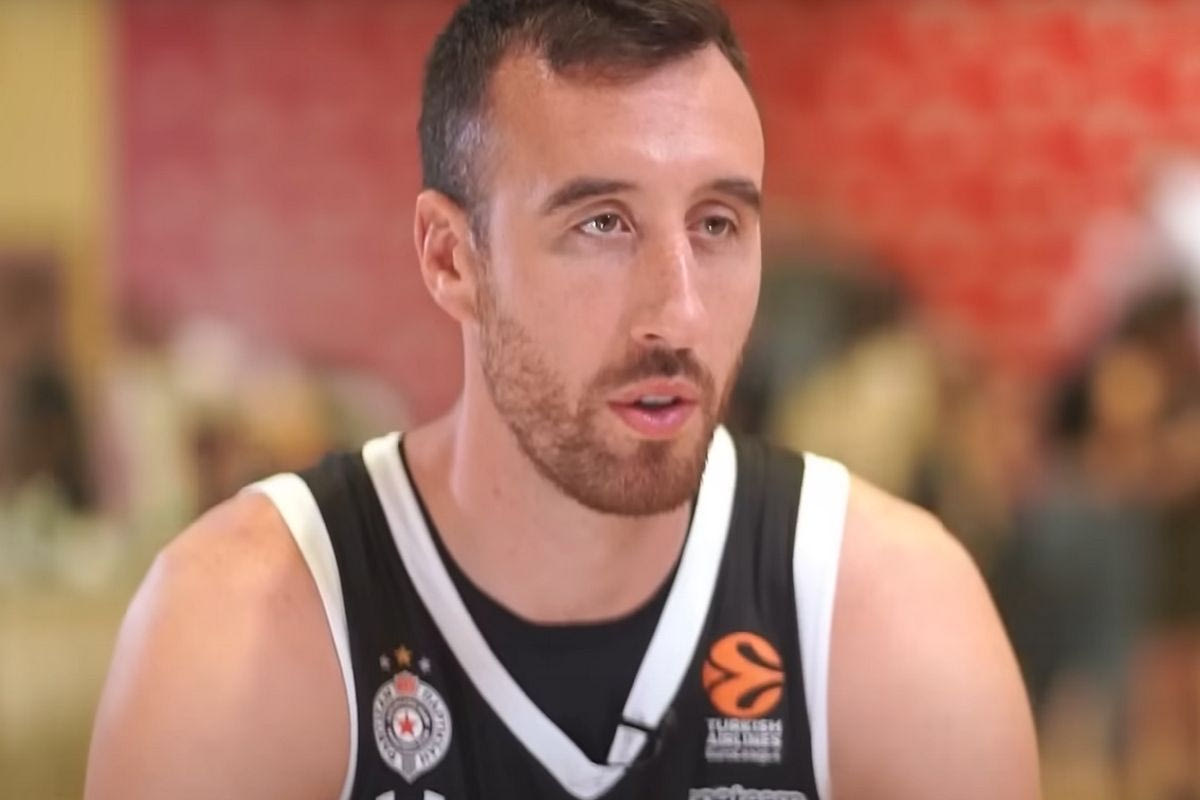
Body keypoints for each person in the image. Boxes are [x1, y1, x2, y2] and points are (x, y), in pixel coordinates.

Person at [85, 1, 1039, 798]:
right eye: (602, 224)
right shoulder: (242, 634)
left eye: (716, 224)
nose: (678, 313)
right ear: (450, 258)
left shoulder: (892, 620)